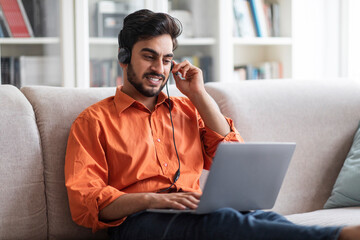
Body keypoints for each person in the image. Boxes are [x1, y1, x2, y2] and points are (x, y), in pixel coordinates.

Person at [65, 9, 360, 240]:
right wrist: (153, 200)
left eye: (167, 60)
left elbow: (232, 159)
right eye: (149, 56)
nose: (159, 69)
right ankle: (339, 236)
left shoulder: (186, 109)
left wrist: (199, 96)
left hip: (193, 211)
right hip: (136, 223)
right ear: (124, 58)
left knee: (262, 218)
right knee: (225, 223)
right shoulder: (94, 121)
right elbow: (86, 202)